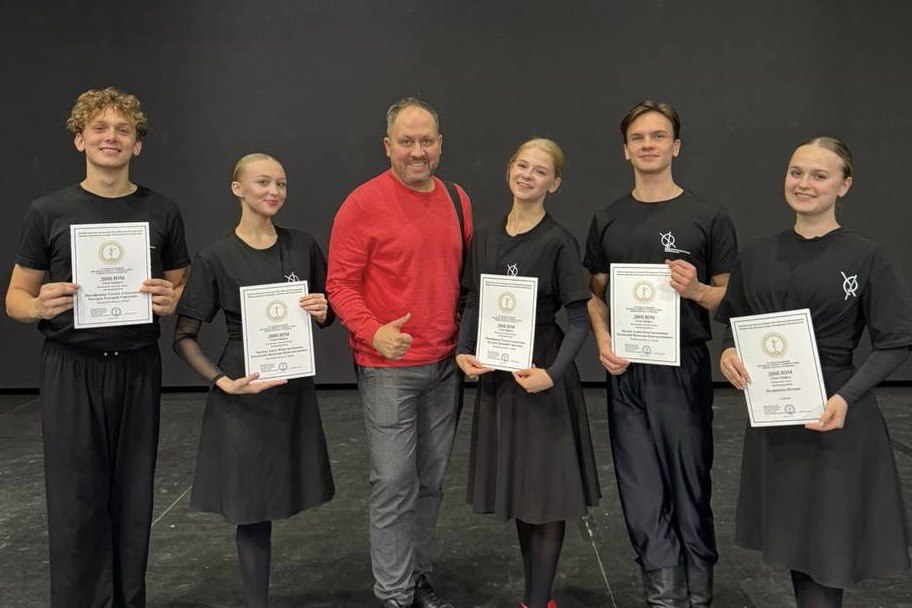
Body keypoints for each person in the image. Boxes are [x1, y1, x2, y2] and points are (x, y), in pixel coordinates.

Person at [4, 87, 190, 608]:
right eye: (100, 128)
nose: (112, 137)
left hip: (136, 365)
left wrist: (171, 297)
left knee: (133, 495)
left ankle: (128, 600)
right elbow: (15, 298)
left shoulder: (162, 210)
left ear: (137, 144)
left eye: (123, 130)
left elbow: (181, 282)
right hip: (71, 366)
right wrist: (38, 306)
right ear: (79, 139)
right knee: (75, 498)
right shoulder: (48, 211)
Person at [716, 137, 912, 608]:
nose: (804, 183)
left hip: (833, 415)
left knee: (826, 546)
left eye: (819, 175)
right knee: (796, 542)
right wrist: (728, 353)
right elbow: (734, 324)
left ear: (845, 185)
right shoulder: (757, 254)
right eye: (796, 172)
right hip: (776, 417)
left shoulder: (867, 256)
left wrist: (846, 397)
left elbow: (896, 340)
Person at [584, 100, 738, 607]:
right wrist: (603, 341)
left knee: (688, 478)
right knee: (639, 484)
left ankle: (698, 590)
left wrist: (695, 290)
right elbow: (594, 294)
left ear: (676, 146)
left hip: (682, 367)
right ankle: (664, 595)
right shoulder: (607, 218)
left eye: (658, 136)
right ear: (625, 150)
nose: (647, 144)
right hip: (627, 368)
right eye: (638, 138)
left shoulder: (708, 216)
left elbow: (729, 298)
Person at [326, 98, 472, 608]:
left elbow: (463, 282)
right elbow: (339, 284)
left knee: (430, 483)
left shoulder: (457, 199)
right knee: (393, 484)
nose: (417, 151)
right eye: (406, 141)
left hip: (445, 367)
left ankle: (415, 577)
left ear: (440, 144)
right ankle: (393, 595)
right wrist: (373, 332)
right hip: (387, 368)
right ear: (387, 146)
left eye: (426, 140)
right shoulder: (362, 204)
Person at [173, 153, 335, 608]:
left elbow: (327, 311)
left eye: (281, 183)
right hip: (245, 392)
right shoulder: (215, 256)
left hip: (292, 388)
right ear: (237, 189)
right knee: (250, 509)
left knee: (278, 494)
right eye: (263, 182)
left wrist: (324, 311)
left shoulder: (303, 246)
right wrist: (222, 381)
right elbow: (183, 336)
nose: (274, 191)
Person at [456, 138, 600, 608]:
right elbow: (473, 300)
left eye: (540, 171)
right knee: (522, 491)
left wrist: (552, 375)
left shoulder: (559, 241)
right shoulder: (484, 236)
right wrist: (463, 350)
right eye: (522, 165)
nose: (528, 175)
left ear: (554, 184)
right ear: (509, 170)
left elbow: (578, 320)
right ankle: (535, 598)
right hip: (500, 377)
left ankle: (538, 602)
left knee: (546, 495)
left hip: (540, 375)